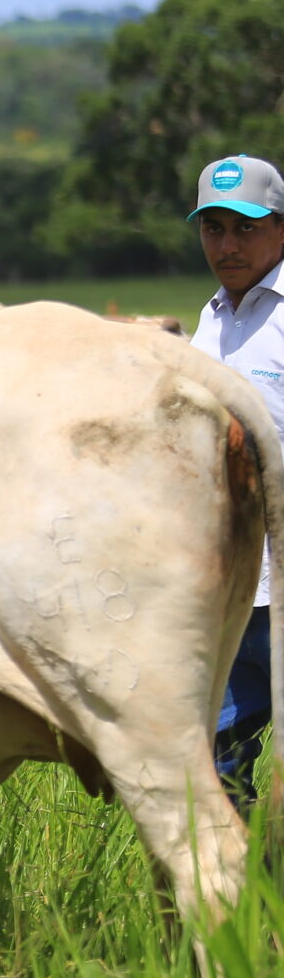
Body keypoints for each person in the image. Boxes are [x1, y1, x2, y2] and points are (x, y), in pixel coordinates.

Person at [187, 154, 284, 793]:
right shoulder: (211, 320)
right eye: (213, 227)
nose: (227, 244)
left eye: (245, 227)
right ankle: (237, 892)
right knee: (219, 769)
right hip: (229, 588)